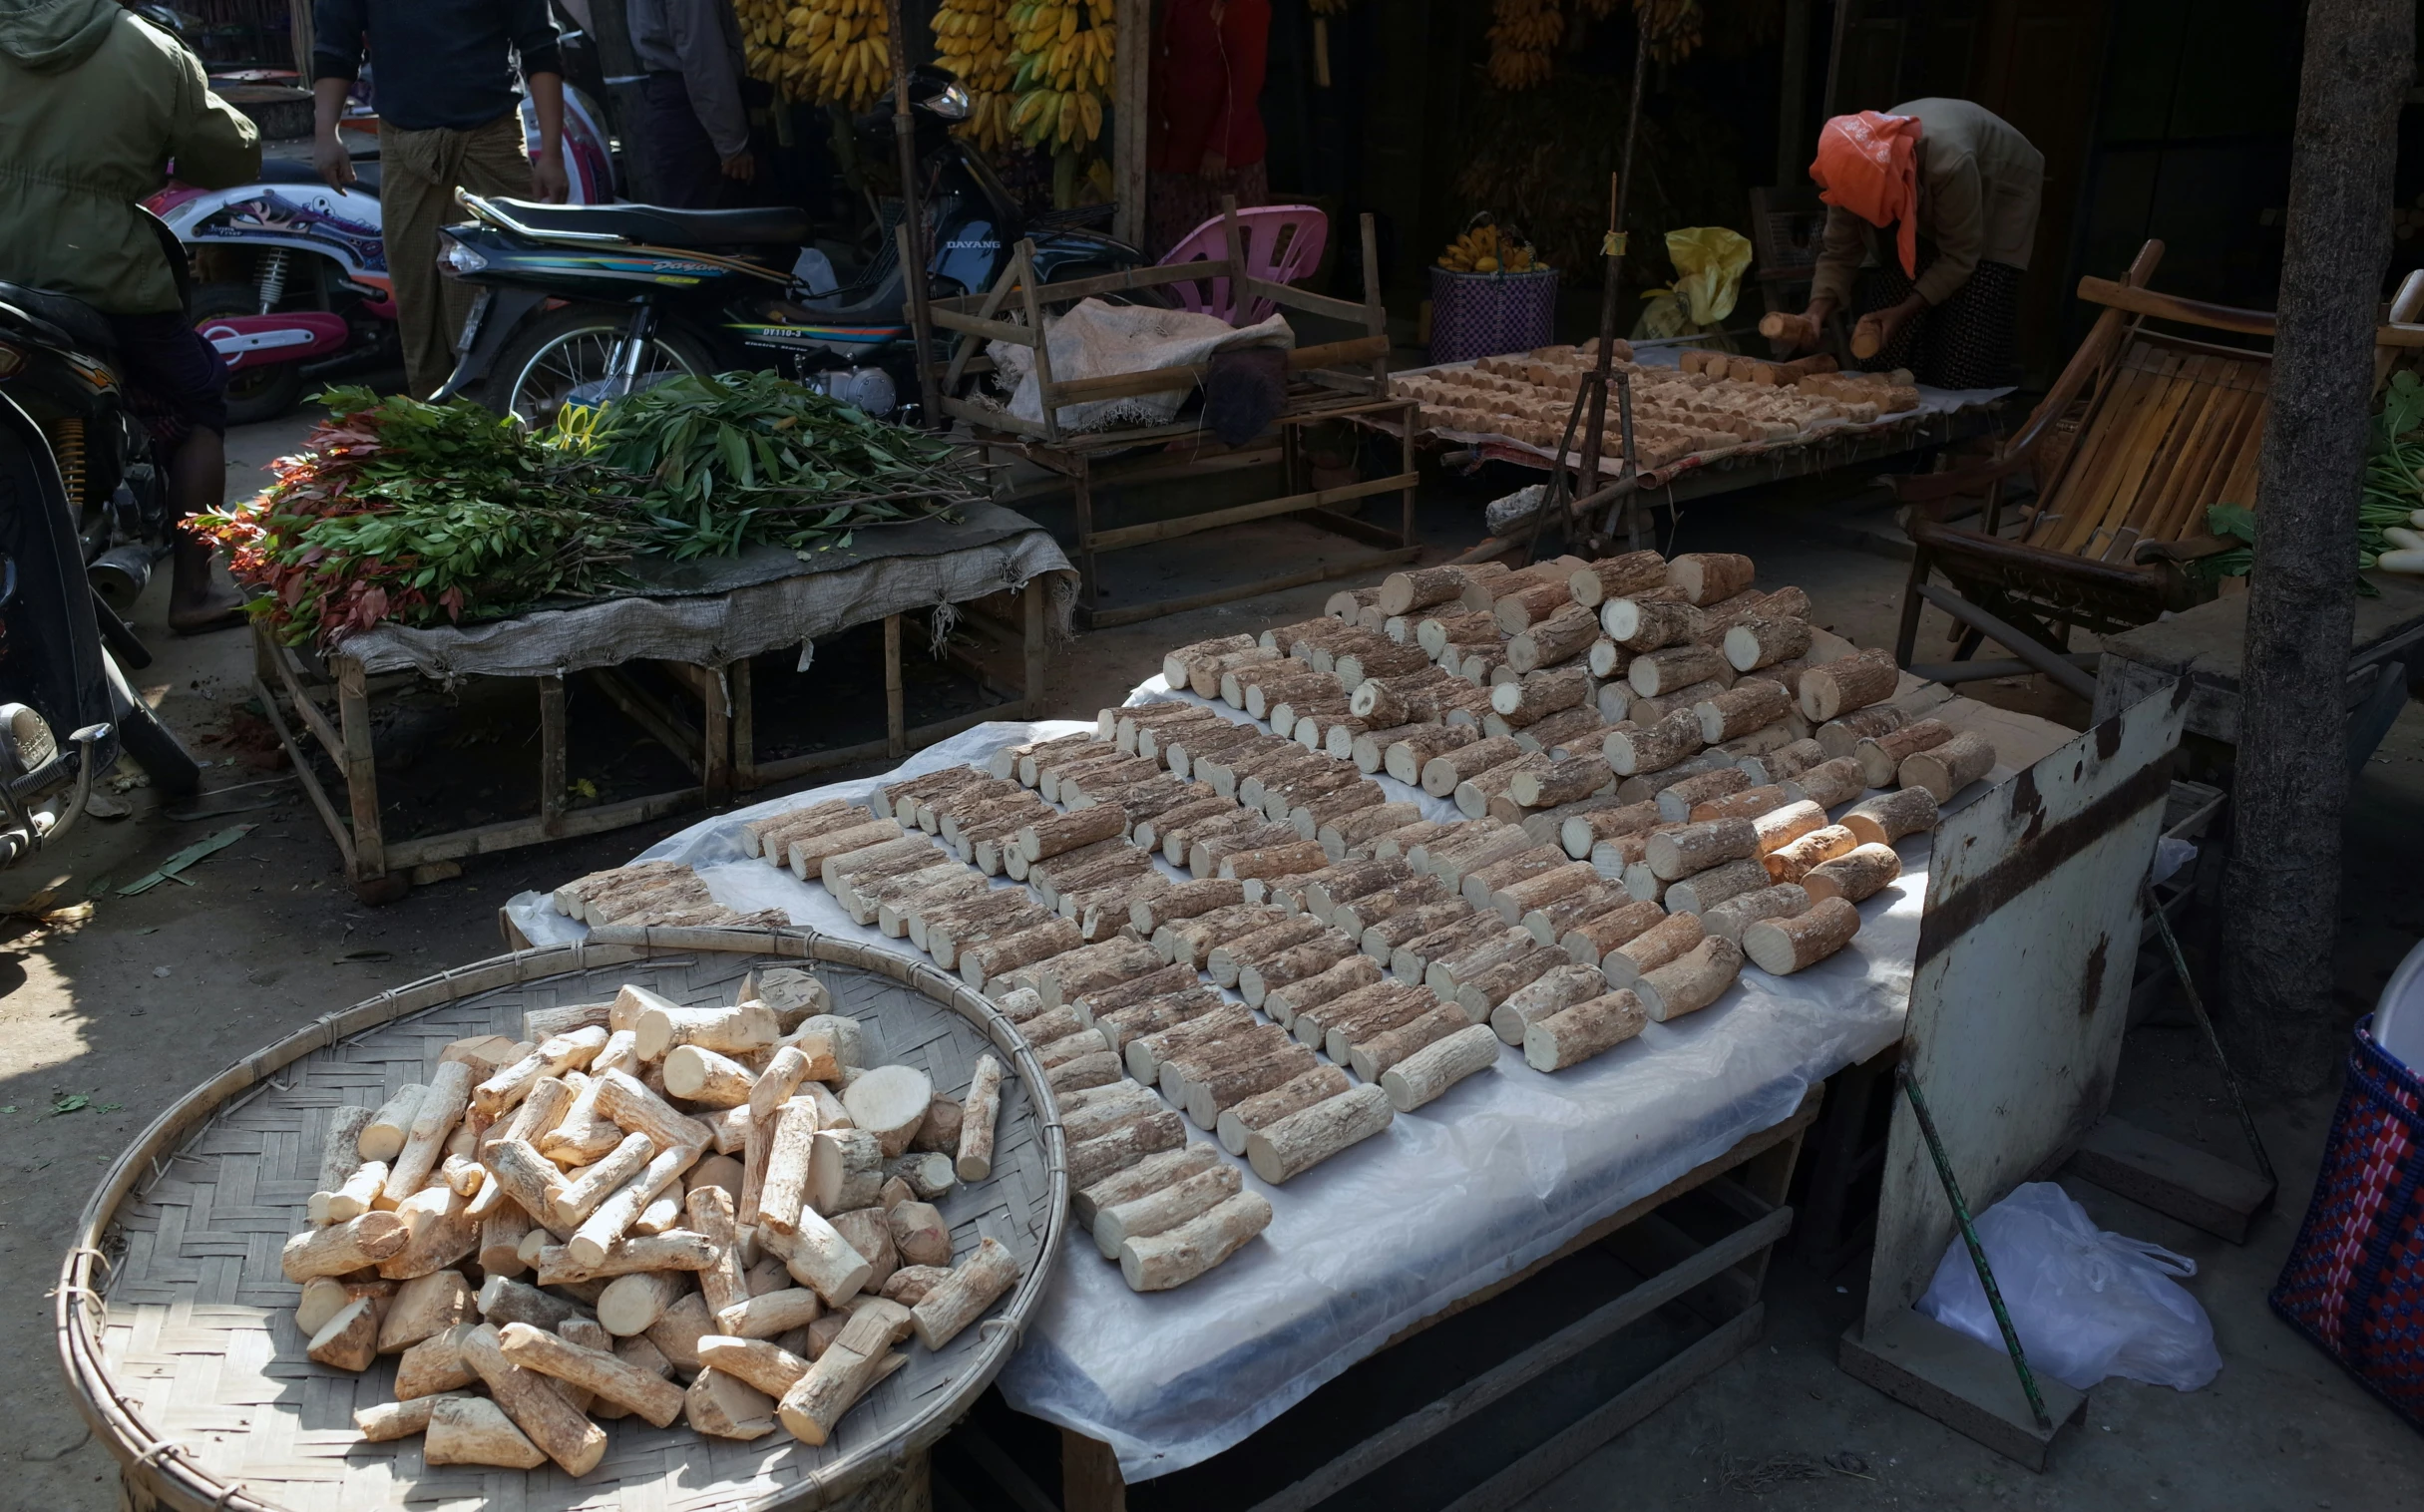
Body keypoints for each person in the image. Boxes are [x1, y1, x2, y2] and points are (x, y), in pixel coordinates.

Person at [0, 0, 260, 633]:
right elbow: (228, 155)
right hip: (105, 276)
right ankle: (194, 595)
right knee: (197, 403)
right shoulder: (149, 47)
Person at [310, 0, 570, 398]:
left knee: (508, 294)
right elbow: (336, 46)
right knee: (418, 295)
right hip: (404, 143)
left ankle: (522, 423)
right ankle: (437, 424)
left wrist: (551, 154)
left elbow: (540, 46)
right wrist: (326, 133)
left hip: (493, 141)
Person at [1794, 99, 2044, 390]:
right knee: (1885, 336)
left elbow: (1960, 256)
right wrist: (1814, 313)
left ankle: (1960, 422)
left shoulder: (1950, 163)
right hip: (1919, 182)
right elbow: (1840, 250)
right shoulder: (1846, 167)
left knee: (1967, 331)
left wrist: (1904, 312)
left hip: (1999, 185)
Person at [1146, 0, 1271, 260]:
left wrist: (1218, 146)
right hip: (1170, 162)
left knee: (1227, 266)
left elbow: (1247, 76)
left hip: (1221, 168)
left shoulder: (1240, 6)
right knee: (1173, 262)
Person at [627, 0, 753, 208]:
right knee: (711, 226)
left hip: (676, 97)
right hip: (694, 105)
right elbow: (702, 57)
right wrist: (731, 142)